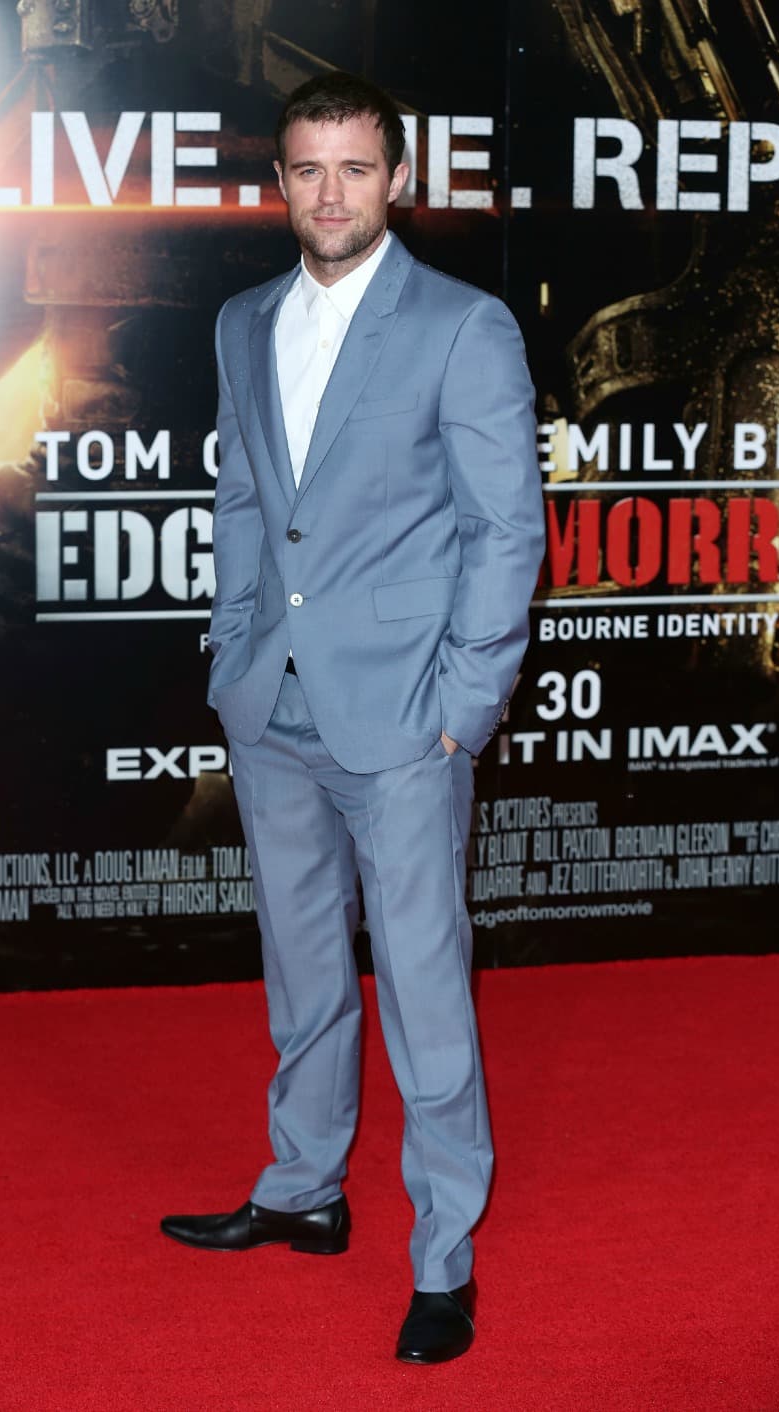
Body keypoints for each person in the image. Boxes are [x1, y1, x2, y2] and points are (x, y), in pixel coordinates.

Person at [161, 70, 545, 1365]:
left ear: (398, 179)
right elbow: (243, 505)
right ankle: (302, 1189)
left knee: (425, 993)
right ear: (280, 182)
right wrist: (231, 655)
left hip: (404, 720)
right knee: (302, 969)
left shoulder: (464, 325)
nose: (332, 193)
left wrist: (464, 706)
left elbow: (506, 531)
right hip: (272, 704)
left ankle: (444, 1258)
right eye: (308, 169)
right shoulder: (242, 322)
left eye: (356, 168)